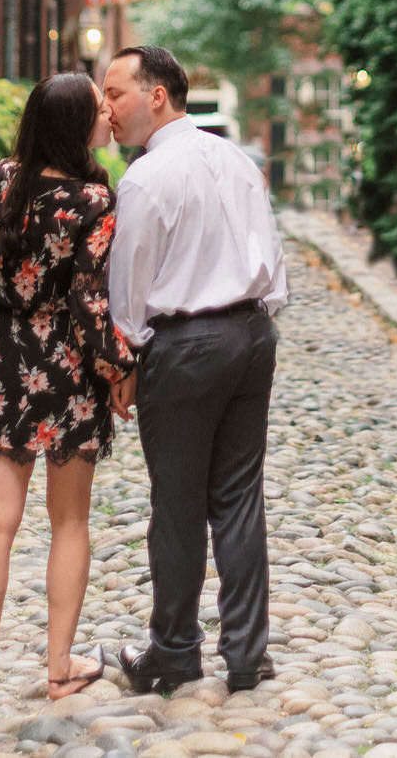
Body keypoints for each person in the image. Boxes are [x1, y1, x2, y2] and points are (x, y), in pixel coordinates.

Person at [0, 72, 135, 719]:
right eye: (97, 107)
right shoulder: (93, 200)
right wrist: (117, 371)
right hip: (68, 372)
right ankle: (59, 667)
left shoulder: (1, 182)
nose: (107, 115)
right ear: (75, 124)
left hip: (4, 361)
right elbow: (89, 303)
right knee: (70, 522)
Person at [102, 45, 288, 695]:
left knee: (177, 504)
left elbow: (129, 281)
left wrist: (123, 355)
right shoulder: (236, 160)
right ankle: (246, 653)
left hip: (182, 345)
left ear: (157, 94)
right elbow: (269, 253)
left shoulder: (146, 178)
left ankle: (175, 651)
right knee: (238, 497)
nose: (108, 107)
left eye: (116, 91)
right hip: (251, 333)